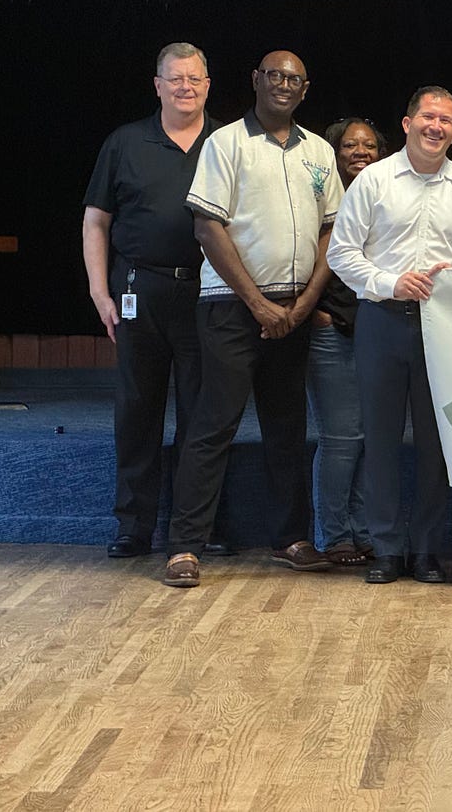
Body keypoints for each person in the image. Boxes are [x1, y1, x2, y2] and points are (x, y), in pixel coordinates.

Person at [162, 50, 342, 588]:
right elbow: (207, 228)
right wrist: (258, 305)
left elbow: (333, 231)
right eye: (275, 76)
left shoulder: (320, 151)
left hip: (295, 307)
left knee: (287, 430)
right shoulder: (225, 143)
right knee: (211, 427)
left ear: (304, 90)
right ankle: (185, 547)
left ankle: (290, 539)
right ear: (256, 81)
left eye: (295, 79)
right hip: (231, 307)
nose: (284, 85)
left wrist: (305, 303)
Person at [327, 86, 452, 585]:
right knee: (380, 440)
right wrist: (389, 281)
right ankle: (386, 549)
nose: (436, 126)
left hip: (442, 327)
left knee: (435, 441)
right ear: (407, 124)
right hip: (381, 321)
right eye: (428, 116)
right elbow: (341, 253)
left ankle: (426, 549)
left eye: (446, 119)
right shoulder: (374, 181)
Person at [83, 42, 222, 558]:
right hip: (139, 290)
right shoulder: (125, 142)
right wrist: (101, 292)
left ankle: (196, 529)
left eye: (195, 78)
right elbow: (96, 220)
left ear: (208, 84)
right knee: (137, 412)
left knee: (202, 417)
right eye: (175, 78)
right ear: (157, 85)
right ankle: (133, 527)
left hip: (208, 293)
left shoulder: (227, 143)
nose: (185, 87)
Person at [306, 117, 388, 567]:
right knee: (340, 438)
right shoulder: (321, 199)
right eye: (351, 145)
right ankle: (334, 533)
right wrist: (312, 309)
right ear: (334, 153)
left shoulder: (383, 196)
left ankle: (360, 532)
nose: (361, 151)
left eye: (370, 145)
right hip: (329, 331)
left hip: (373, 332)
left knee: (364, 439)